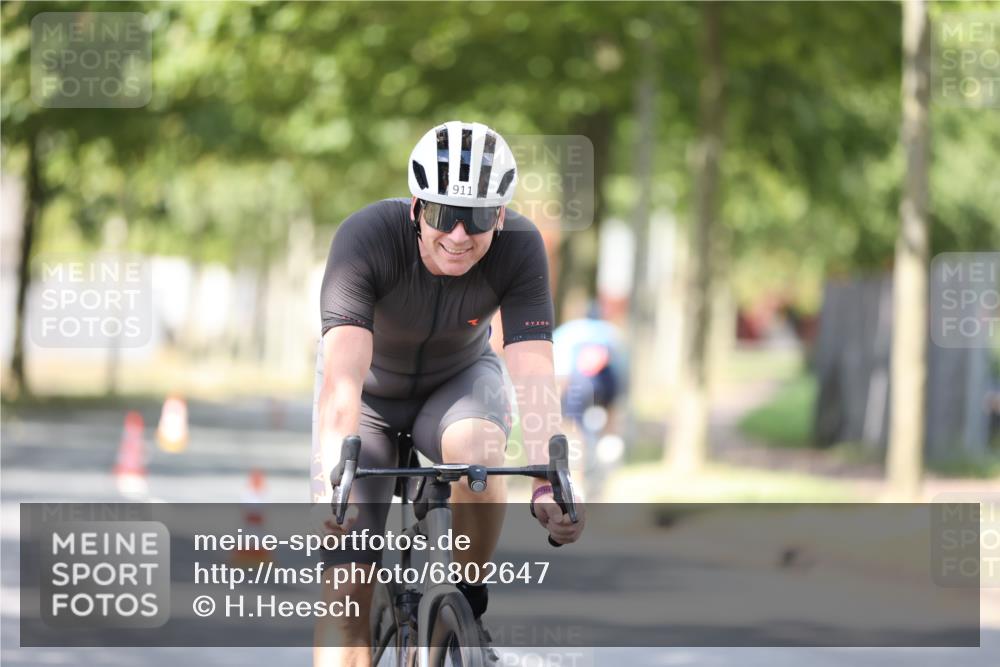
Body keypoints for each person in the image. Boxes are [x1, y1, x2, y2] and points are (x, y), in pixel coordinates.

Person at [311, 121, 585, 667]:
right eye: (442, 214)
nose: (459, 235)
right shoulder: (365, 240)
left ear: (500, 216)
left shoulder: (522, 248)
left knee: (481, 458)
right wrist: (330, 479)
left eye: (478, 218)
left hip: (458, 384)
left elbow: (532, 374)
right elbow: (342, 380)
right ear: (415, 207)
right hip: (369, 401)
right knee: (346, 592)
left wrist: (547, 482)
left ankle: (469, 604)